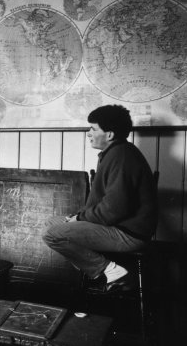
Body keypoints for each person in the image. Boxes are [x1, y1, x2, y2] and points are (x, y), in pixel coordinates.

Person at [42, 105, 157, 293]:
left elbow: (114, 209)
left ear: (109, 135)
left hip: (128, 235)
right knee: (52, 223)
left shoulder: (121, 156)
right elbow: (104, 205)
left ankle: (111, 271)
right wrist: (78, 217)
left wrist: (80, 218)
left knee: (52, 234)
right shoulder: (114, 152)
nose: (88, 133)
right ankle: (99, 269)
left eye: (93, 129)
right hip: (116, 226)